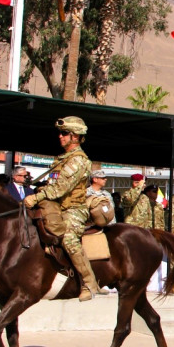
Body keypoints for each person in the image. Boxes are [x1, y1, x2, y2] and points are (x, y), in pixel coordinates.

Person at [22, 117, 106, 301]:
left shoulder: (78, 160)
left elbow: (61, 188)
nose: (60, 136)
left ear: (75, 136)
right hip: (56, 205)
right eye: (60, 133)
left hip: (74, 208)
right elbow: (53, 184)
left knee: (69, 239)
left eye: (64, 133)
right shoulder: (62, 158)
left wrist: (36, 197)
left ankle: (89, 281)